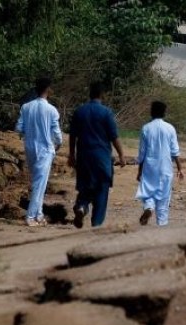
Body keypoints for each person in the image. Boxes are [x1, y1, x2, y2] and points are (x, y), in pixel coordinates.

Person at [68, 82, 126, 229]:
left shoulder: (79, 111)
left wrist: (71, 154)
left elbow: (72, 136)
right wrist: (121, 155)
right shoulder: (106, 113)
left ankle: (81, 206)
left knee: (85, 186)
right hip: (102, 158)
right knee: (101, 189)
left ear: (90, 94)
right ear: (102, 95)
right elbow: (114, 137)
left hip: (84, 156)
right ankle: (96, 224)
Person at [15, 78, 62, 227]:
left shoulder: (26, 107)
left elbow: (18, 128)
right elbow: (57, 134)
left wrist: (26, 133)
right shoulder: (52, 110)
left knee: (38, 182)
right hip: (45, 148)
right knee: (39, 183)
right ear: (48, 89)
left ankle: (39, 214)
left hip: (29, 147)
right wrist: (59, 144)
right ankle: (30, 216)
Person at [135, 101, 184, 227]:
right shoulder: (170, 128)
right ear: (164, 113)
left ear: (152, 112)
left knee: (148, 192)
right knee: (163, 199)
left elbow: (142, 152)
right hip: (166, 168)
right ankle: (161, 227)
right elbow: (175, 151)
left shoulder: (146, 128)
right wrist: (179, 168)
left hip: (149, 167)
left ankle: (149, 208)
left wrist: (140, 170)